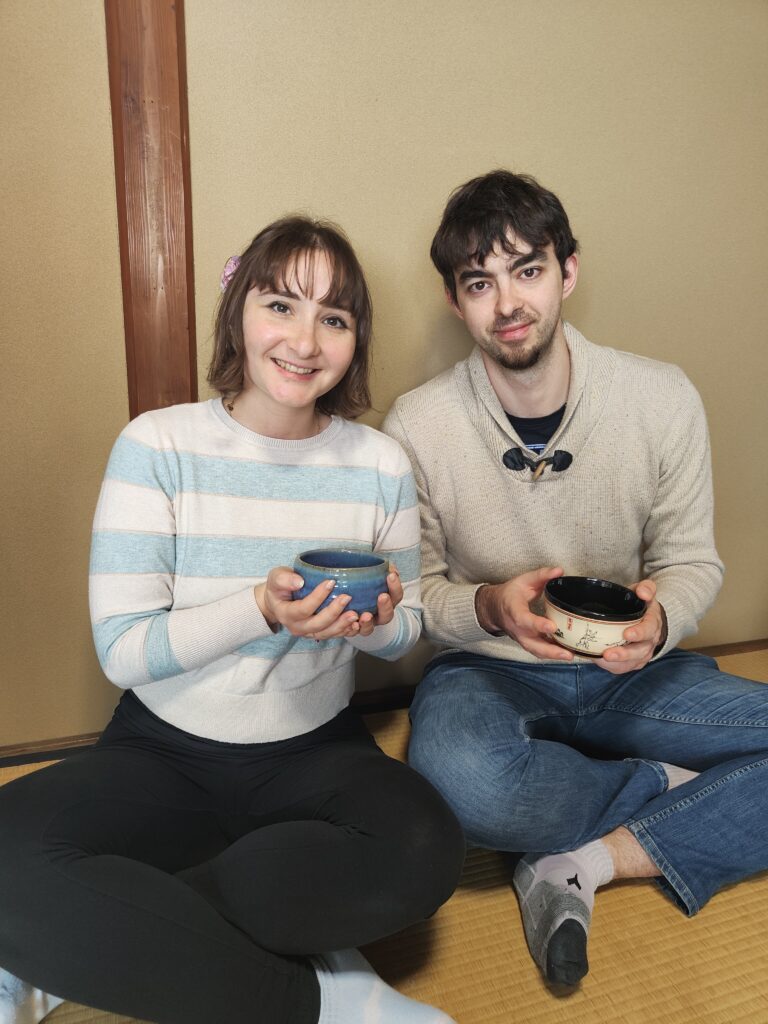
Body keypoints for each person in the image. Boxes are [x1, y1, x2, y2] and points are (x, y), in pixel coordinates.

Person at [0, 216, 464, 1024]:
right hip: (163, 751)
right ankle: (324, 1001)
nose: (304, 340)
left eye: (334, 318)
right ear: (239, 314)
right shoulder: (158, 444)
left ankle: (90, 937)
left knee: (425, 850)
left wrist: (376, 623)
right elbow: (123, 649)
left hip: (314, 752)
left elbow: (408, 625)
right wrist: (258, 607)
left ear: (356, 339)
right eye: (280, 305)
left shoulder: (378, 461)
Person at [383, 169, 768, 988]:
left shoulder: (660, 398)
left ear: (569, 271)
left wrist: (659, 625)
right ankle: (673, 785)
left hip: (630, 669)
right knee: (458, 788)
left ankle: (582, 863)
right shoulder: (418, 424)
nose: (507, 301)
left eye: (527, 270)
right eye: (479, 282)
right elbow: (413, 598)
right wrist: (489, 606)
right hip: (487, 675)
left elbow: (692, 561)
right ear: (457, 301)